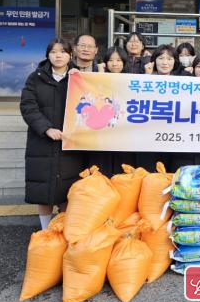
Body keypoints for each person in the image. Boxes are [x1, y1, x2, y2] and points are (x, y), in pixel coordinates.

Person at [20, 38, 84, 229]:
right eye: (54, 52)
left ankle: (63, 230)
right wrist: (46, 128)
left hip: (69, 142)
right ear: (48, 55)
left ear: (70, 55)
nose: (58, 56)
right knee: (43, 191)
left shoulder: (78, 77)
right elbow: (28, 106)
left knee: (67, 191)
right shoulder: (35, 77)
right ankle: (46, 231)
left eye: (63, 52)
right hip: (42, 142)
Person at [83, 46, 135, 176]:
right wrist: (100, 76)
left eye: (118, 60)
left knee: (122, 172)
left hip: (124, 135)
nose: (115, 64)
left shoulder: (133, 81)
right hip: (102, 134)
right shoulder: (97, 79)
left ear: (124, 62)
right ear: (105, 62)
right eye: (111, 60)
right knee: (101, 169)